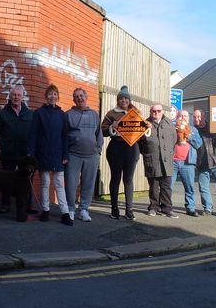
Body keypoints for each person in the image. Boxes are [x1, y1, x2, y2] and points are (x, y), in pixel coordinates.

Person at [27, 84, 72, 226]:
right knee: (45, 183)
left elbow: (65, 137)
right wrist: (31, 154)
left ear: (57, 97)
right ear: (45, 97)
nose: (52, 97)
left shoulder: (62, 115)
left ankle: (65, 213)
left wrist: (66, 155)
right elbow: (33, 135)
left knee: (59, 184)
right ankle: (45, 210)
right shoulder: (38, 113)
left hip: (58, 154)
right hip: (43, 153)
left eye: (55, 94)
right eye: (50, 94)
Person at [101, 85, 143, 220]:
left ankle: (129, 210)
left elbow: (141, 134)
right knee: (115, 178)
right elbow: (102, 131)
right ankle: (114, 208)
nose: (123, 100)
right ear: (117, 100)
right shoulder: (111, 113)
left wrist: (147, 127)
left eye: (126, 98)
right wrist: (112, 127)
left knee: (128, 179)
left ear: (129, 100)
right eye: (121, 98)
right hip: (115, 149)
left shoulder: (136, 113)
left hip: (131, 149)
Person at [64, 87, 103, 222]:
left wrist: (98, 150)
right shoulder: (68, 114)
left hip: (91, 156)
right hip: (73, 155)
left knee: (88, 183)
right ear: (73, 99)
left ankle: (84, 210)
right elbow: (63, 135)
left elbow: (99, 134)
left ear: (86, 97)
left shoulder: (94, 114)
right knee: (71, 183)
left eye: (81, 96)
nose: (79, 98)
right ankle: (70, 209)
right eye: (76, 96)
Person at [0, 84, 35, 214]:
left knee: (27, 181)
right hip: (8, 153)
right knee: (7, 180)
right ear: (10, 96)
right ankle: (5, 204)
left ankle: (28, 205)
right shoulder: (2, 113)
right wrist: (2, 145)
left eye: (18, 95)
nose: (16, 97)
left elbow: (34, 134)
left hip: (25, 154)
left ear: (22, 97)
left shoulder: (30, 114)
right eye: (13, 95)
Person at [139, 103, 178, 218]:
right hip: (152, 159)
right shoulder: (145, 124)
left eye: (159, 111)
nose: (156, 113)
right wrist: (148, 153)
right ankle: (153, 208)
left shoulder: (169, 123)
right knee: (154, 186)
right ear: (150, 112)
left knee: (166, 186)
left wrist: (168, 152)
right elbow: (140, 142)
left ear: (163, 112)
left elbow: (174, 139)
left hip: (167, 159)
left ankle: (167, 208)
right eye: (153, 111)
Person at [193, 109, 216, 218]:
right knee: (203, 187)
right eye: (195, 117)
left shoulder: (215, 128)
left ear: (204, 116)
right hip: (202, 162)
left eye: (199, 117)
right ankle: (207, 208)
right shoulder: (192, 130)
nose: (197, 119)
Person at [171, 109, 203, 217]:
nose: (183, 118)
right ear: (177, 117)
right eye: (180, 116)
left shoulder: (193, 129)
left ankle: (190, 208)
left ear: (188, 118)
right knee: (168, 186)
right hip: (173, 161)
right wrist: (175, 132)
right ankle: (166, 207)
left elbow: (198, 144)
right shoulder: (172, 128)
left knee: (189, 187)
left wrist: (188, 135)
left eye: (185, 116)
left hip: (188, 162)